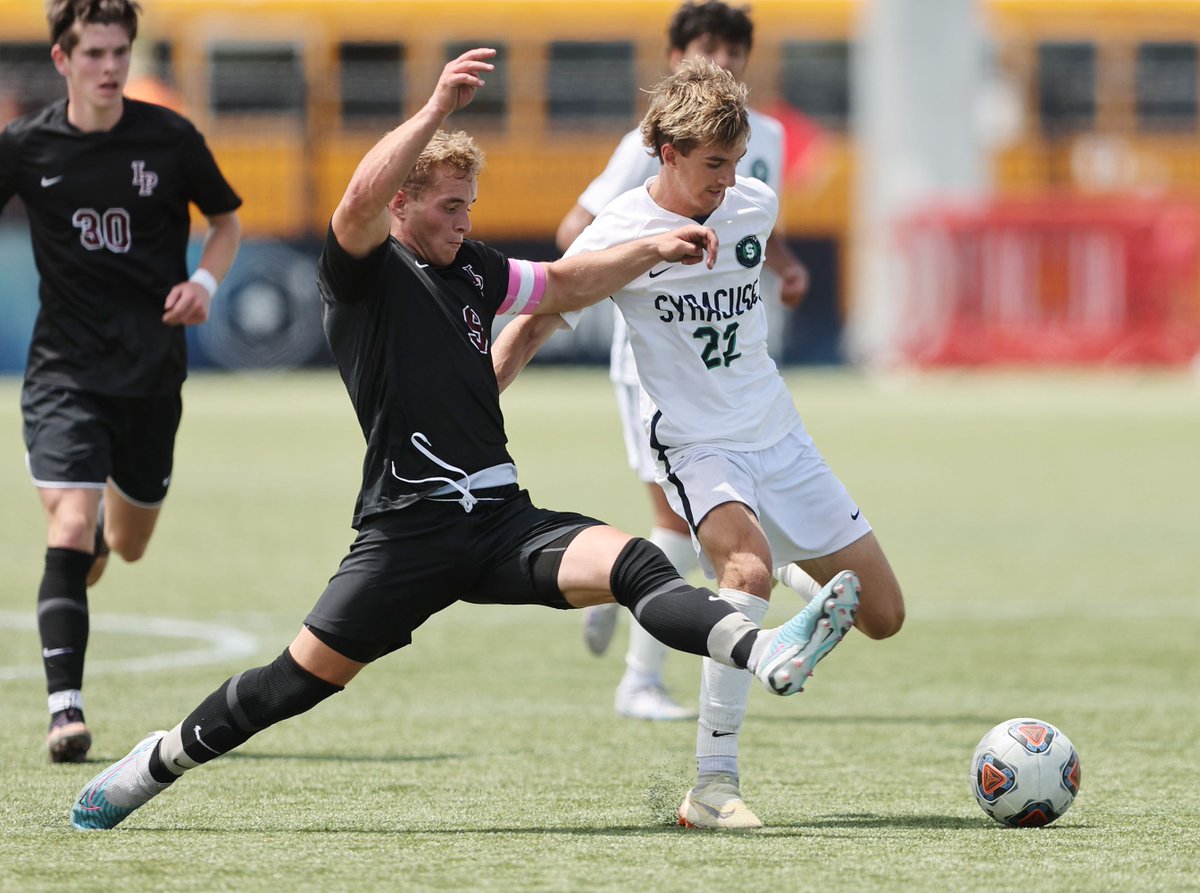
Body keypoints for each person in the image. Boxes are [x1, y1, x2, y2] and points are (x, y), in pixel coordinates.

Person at [69, 47, 860, 832]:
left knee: (635, 561)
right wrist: (437, 110)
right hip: (407, 531)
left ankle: (763, 652)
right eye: (450, 206)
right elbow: (353, 199)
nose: (464, 221)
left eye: (469, 205)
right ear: (403, 204)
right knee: (293, 682)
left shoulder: (474, 268)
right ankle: (158, 759)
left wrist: (650, 248)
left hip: (501, 522)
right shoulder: (364, 275)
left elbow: (560, 283)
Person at [494, 60, 904, 830]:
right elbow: (540, 317)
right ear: (668, 152)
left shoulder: (751, 203)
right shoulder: (620, 229)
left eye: (736, 162)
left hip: (779, 433)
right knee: (738, 568)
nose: (727, 180)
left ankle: (789, 577)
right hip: (695, 443)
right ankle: (712, 786)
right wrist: (473, 403)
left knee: (884, 615)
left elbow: (758, 232)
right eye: (713, 164)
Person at [556, 0, 815, 724]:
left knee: (706, 524)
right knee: (686, 517)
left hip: (729, 357)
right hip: (656, 359)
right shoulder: (653, 143)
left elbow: (759, 218)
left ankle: (624, 596)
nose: (723, 60)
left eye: (734, 49)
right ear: (675, 59)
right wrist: (611, 267)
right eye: (707, 47)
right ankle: (640, 672)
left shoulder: (762, 136)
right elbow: (578, 227)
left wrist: (786, 266)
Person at [0, 0, 242, 763]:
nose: (110, 67)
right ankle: (64, 711)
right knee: (67, 529)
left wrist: (204, 279)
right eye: (94, 53)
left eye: (119, 52)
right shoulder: (25, 146)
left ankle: (102, 531)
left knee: (123, 546)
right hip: (64, 373)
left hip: (151, 375)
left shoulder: (168, 139)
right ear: (63, 60)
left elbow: (227, 219)